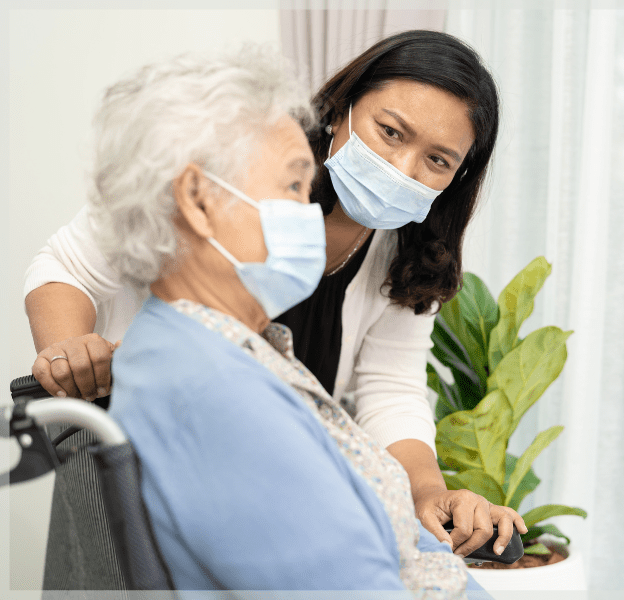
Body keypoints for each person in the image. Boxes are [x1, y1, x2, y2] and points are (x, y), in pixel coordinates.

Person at [26, 30, 523, 589]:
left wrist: (428, 494)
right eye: (389, 132)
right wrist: (69, 348)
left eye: (437, 159)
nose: (403, 169)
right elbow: (68, 265)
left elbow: (392, 388)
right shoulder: (232, 174)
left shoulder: (400, 251)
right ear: (342, 110)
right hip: (207, 451)